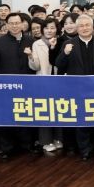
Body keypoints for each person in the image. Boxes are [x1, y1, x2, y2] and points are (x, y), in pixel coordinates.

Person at [0, 12, 40, 158]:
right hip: (7, 87)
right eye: (11, 23)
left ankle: (28, 145)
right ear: (6, 25)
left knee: (27, 116)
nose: (14, 26)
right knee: (7, 117)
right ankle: (7, 148)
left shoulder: (31, 41)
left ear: (23, 24)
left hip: (28, 85)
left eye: (17, 23)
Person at [55, 14, 94, 161]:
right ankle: (85, 150)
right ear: (77, 28)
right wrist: (65, 53)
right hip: (77, 89)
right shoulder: (68, 44)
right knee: (81, 121)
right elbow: (59, 65)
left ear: (93, 27)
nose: (84, 28)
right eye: (81, 26)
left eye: (87, 25)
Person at [31, 17, 63, 153]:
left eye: (52, 28)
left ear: (57, 29)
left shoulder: (62, 42)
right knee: (44, 111)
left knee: (59, 109)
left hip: (59, 81)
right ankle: (46, 140)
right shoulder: (36, 44)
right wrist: (30, 57)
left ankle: (58, 138)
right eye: (46, 28)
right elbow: (35, 66)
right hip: (43, 81)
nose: (49, 30)